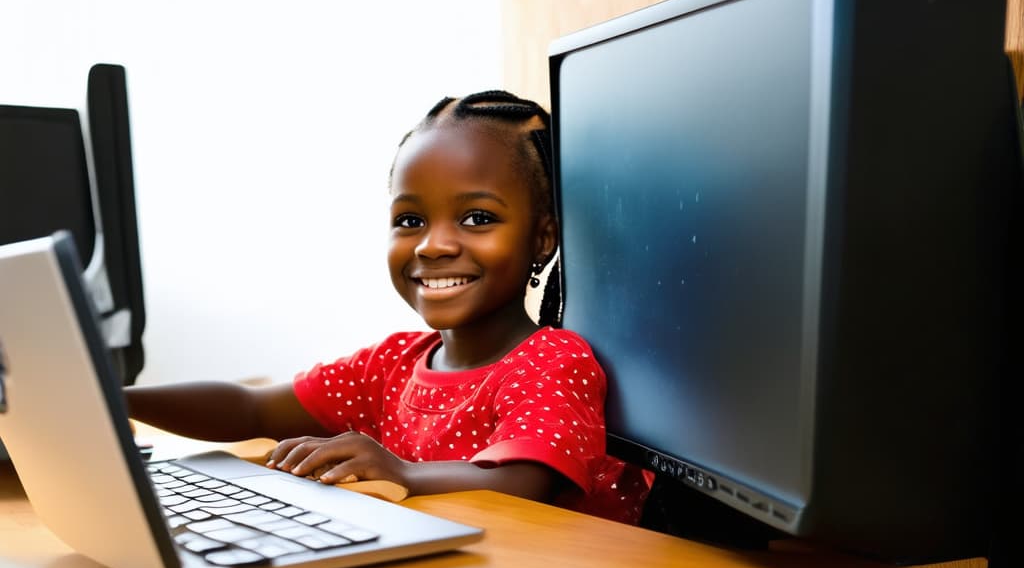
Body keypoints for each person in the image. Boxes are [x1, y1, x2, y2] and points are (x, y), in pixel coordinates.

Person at [126, 90, 650, 524]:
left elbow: (524, 480)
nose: (432, 246)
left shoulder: (553, 359)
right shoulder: (391, 366)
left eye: (476, 218)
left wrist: (402, 472)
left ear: (543, 238)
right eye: (410, 220)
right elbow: (251, 407)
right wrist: (115, 398)